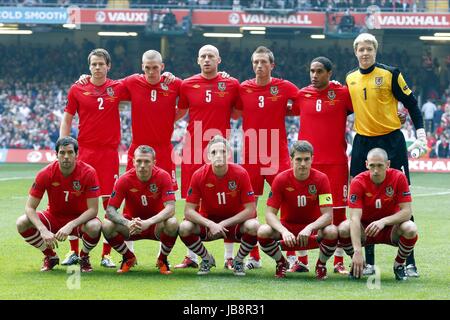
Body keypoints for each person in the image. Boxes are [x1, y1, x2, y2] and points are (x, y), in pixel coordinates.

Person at [346, 33, 425, 277]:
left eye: (369, 48)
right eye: (361, 49)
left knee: (403, 199)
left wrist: (420, 134)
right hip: (362, 142)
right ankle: (368, 261)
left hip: (391, 141)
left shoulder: (391, 74)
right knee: (361, 199)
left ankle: (409, 262)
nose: (365, 53)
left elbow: (411, 103)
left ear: (375, 51)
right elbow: (343, 109)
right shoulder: (350, 79)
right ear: (355, 52)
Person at [60, 48, 129, 268]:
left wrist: (167, 77)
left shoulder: (117, 87)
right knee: (77, 202)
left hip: (108, 153)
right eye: (93, 64)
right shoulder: (77, 88)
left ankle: (106, 254)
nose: (97, 67)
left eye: (101, 64)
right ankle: (74, 252)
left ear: (108, 66)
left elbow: (145, 83)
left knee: (110, 203)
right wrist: (63, 146)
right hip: (86, 151)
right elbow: (68, 117)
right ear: (88, 66)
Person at [175, 45, 240, 269]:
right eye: (202, 56)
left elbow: (239, 111)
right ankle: (192, 256)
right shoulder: (187, 84)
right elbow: (181, 111)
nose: (206, 59)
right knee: (192, 201)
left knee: (229, 202)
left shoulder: (231, 84)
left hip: (220, 148)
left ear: (219, 59)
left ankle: (229, 257)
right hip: (193, 147)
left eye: (211, 56)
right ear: (197, 60)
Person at [236, 46, 300, 270]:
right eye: (256, 62)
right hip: (251, 154)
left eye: (264, 62)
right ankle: (253, 256)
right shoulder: (243, 88)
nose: (259, 66)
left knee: (289, 204)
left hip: (277, 152)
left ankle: (292, 255)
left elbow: (306, 100)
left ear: (272, 65)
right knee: (249, 207)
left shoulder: (284, 87)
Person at [291, 57, 353, 274]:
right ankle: (301, 260)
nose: (314, 75)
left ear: (329, 73)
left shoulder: (343, 94)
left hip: (335, 163)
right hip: (307, 164)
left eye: (319, 71)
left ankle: (338, 261)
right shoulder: (301, 94)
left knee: (337, 213)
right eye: (311, 71)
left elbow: (366, 108)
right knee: (303, 210)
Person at [16, 137, 101, 272]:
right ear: (56, 155)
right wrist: (43, 230)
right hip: (54, 217)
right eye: (62, 153)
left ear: (76, 154)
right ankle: (50, 256)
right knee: (21, 222)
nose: (66, 156)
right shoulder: (45, 173)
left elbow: (93, 210)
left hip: (79, 220)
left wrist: (71, 225)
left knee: (95, 226)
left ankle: (83, 256)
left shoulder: (88, 172)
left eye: (70, 152)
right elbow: (29, 207)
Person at [178, 135, 259, 276]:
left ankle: (238, 261)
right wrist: (210, 224)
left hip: (234, 224)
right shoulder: (199, 175)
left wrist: (223, 223)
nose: (218, 155)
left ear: (228, 154)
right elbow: (188, 212)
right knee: (184, 227)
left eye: (222, 151)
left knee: (254, 226)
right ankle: (207, 259)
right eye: (214, 152)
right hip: (209, 223)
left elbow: (251, 210)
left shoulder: (241, 173)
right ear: (208, 155)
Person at [257, 140, 338, 280]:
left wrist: (310, 228)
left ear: (312, 159)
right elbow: (269, 214)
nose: (303, 164)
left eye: (307, 159)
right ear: (291, 160)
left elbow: (328, 216)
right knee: (263, 231)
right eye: (298, 159)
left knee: (332, 231)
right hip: (287, 229)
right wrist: (283, 231)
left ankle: (321, 265)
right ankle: (281, 263)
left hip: (312, 230)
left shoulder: (322, 179)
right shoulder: (281, 179)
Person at [338, 148, 419, 280]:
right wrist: (357, 252)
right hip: (366, 230)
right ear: (366, 165)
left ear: (388, 164)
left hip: (391, 229)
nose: (376, 170)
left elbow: (407, 212)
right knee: (343, 228)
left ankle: (399, 264)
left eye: (380, 166)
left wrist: (383, 221)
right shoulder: (358, 182)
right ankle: (357, 263)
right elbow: (354, 218)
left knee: (411, 228)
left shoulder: (399, 177)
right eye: (372, 166)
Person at [103, 145, 178, 274]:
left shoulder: (163, 176)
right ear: (133, 162)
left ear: (154, 162)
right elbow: (110, 210)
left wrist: (148, 222)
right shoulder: (124, 179)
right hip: (132, 226)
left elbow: (171, 208)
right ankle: (128, 257)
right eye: (139, 161)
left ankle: (162, 259)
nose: (142, 165)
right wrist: (127, 223)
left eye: (147, 161)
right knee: (106, 225)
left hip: (155, 225)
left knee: (173, 223)